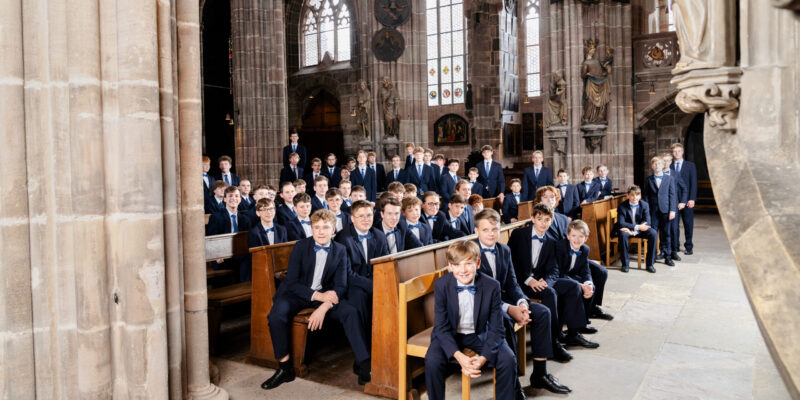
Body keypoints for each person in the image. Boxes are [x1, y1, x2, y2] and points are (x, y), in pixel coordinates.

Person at [261, 209, 371, 390]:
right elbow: (292, 282)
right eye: (317, 227)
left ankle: (364, 363)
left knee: (351, 311)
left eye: (325, 227)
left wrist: (324, 306)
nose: (321, 231)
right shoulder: (301, 246)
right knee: (276, 316)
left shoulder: (341, 250)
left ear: (333, 229)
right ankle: (285, 367)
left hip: (325, 297)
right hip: (296, 294)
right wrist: (318, 296)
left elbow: (341, 285)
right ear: (311, 229)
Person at [474, 210, 572, 396]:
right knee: (504, 320)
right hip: (481, 308)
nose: (491, 234)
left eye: (495, 229)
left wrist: (522, 303)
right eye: (486, 230)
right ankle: (512, 384)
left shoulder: (504, 250)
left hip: (507, 299)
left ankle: (540, 374)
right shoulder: (470, 251)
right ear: (476, 231)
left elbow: (512, 283)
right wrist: (509, 309)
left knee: (543, 313)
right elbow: (478, 293)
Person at [424, 240, 518, 400]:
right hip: (450, 334)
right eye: (457, 265)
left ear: (478, 263)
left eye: (468, 264)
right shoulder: (441, 285)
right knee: (432, 360)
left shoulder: (492, 286)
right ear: (450, 266)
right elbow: (441, 327)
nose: (463, 270)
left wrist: (482, 359)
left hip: (480, 333)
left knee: (508, 360)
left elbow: (497, 329)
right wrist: (461, 358)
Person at [508, 203, 598, 358]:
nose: (543, 223)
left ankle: (573, 333)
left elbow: (553, 270)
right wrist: (529, 279)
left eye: (547, 220)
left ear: (552, 221)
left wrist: (545, 282)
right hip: (519, 281)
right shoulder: (518, 234)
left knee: (572, 287)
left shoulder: (551, 241)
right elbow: (510, 263)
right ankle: (553, 342)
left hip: (539, 281)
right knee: (550, 294)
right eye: (540, 219)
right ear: (532, 219)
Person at [535, 186, 614, 321]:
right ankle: (577, 314)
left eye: (552, 197)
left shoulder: (563, 219)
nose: (549, 200)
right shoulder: (539, 221)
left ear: (557, 200)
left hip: (570, 254)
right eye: (545, 197)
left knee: (601, 272)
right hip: (554, 261)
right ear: (539, 200)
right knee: (576, 280)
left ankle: (592, 307)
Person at [334, 200, 389, 352]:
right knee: (360, 299)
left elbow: (384, 265)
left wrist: (381, 284)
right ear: (352, 218)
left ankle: (385, 343)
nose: (366, 219)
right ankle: (365, 351)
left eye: (369, 215)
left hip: (373, 281)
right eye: (361, 216)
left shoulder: (379, 235)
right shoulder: (343, 238)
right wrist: (374, 286)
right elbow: (347, 274)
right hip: (351, 285)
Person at [206, 185, 252, 281]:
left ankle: (246, 288)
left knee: (250, 259)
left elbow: (247, 239)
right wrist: (217, 255)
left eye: (236, 196)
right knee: (246, 261)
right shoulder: (216, 217)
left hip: (240, 254)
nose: (233, 199)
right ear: (225, 199)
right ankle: (245, 288)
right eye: (230, 196)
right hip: (222, 257)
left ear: (240, 199)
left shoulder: (245, 219)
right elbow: (211, 239)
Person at [555, 220, 596, 326]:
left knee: (590, 287)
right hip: (558, 277)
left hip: (570, 275)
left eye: (581, 236)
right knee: (576, 287)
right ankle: (575, 327)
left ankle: (584, 323)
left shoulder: (585, 249)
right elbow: (557, 273)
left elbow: (585, 270)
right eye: (573, 235)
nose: (577, 240)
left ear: (586, 238)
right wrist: (580, 284)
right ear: (568, 236)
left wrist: (588, 284)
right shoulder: (560, 247)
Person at [643, 156, 678, 267]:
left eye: (659, 164)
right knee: (652, 234)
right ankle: (652, 258)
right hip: (653, 211)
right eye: (654, 164)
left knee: (666, 234)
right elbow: (646, 196)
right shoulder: (648, 180)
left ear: (663, 165)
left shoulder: (669, 179)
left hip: (666, 210)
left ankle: (667, 257)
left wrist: (672, 210)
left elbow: (673, 195)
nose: (657, 166)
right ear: (652, 166)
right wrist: (647, 211)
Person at [617, 185, 658, 273]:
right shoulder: (622, 206)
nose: (635, 197)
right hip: (628, 229)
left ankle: (649, 264)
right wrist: (638, 227)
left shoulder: (645, 205)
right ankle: (625, 264)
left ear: (640, 196)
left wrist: (635, 232)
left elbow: (647, 222)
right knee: (622, 234)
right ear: (627, 196)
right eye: (632, 195)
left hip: (639, 230)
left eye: (637, 195)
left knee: (653, 233)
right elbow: (621, 223)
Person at [671, 142, 697, 255]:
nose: (676, 153)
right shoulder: (669, 166)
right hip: (673, 200)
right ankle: (675, 246)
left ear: (682, 152)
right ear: (672, 153)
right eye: (674, 151)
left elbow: (693, 183)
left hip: (687, 200)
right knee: (674, 225)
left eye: (679, 151)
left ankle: (689, 246)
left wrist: (692, 199)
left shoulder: (690, 166)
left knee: (688, 223)